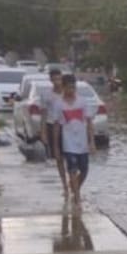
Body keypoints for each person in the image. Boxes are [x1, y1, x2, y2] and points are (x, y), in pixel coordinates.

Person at [51, 74, 96, 205]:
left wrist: (91, 141)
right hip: (68, 143)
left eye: (73, 87)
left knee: (84, 169)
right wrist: (56, 147)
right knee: (72, 169)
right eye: (69, 87)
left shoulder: (82, 102)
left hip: (82, 143)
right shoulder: (59, 104)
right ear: (63, 87)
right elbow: (56, 126)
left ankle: (74, 185)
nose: (72, 90)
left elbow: (89, 122)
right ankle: (77, 197)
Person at [40, 68, 64, 189]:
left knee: (70, 156)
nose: (57, 82)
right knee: (58, 158)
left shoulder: (68, 93)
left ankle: (72, 179)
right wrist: (43, 132)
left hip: (67, 127)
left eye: (59, 79)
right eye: (54, 79)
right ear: (50, 80)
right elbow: (43, 115)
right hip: (51, 126)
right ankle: (64, 183)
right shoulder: (46, 95)